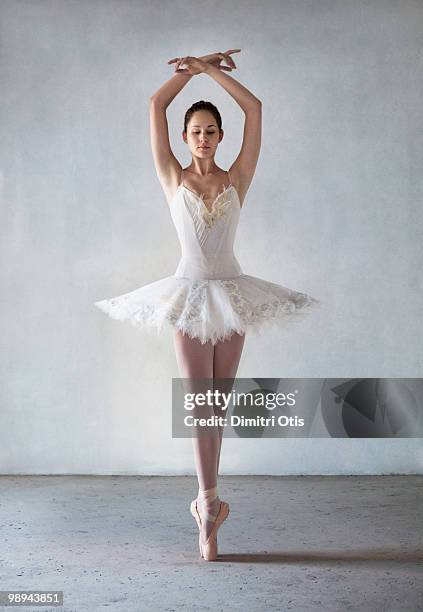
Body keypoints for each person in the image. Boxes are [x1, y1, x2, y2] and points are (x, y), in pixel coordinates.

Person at [94, 50, 321, 561]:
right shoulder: (173, 178)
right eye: (195, 131)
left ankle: (210, 507)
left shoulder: (237, 178)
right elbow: (156, 104)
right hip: (191, 292)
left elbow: (255, 109)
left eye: (210, 131)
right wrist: (190, 70)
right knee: (200, 404)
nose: (202, 138)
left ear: (220, 137)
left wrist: (213, 72)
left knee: (216, 406)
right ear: (184, 138)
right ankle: (206, 502)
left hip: (232, 292)